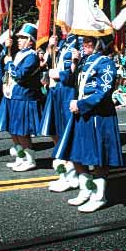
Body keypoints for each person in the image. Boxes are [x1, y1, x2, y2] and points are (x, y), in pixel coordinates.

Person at [53, 36, 123, 213]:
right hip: (80, 113)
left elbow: (104, 92)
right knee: (76, 154)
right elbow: (71, 82)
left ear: (99, 44)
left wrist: (81, 105)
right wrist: (74, 63)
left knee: (99, 157)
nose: (85, 46)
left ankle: (99, 196)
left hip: (98, 115)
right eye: (84, 43)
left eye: (89, 43)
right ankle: (86, 190)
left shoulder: (106, 62)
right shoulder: (83, 61)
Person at [40, 32, 82, 193]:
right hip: (55, 92)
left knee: (66, 134)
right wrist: (50, 47)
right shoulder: (63, 43)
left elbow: (76, 72)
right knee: (55, 132)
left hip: (67, 93)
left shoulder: (78, 43)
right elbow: (48, 64)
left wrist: (60, 74)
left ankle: (71, 175)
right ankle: (64, 170)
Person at [3, 23, 42, 172]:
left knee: (22, 131)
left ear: (31, 41)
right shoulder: (19, 54)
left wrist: (9, 64)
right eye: (18, 37)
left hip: (24, 97)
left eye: (23, 38)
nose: (19, 40)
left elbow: (20, 75)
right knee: (14, 130)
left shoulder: (31, 56)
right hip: (14, 96)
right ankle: (21, 157)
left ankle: (30, 159)